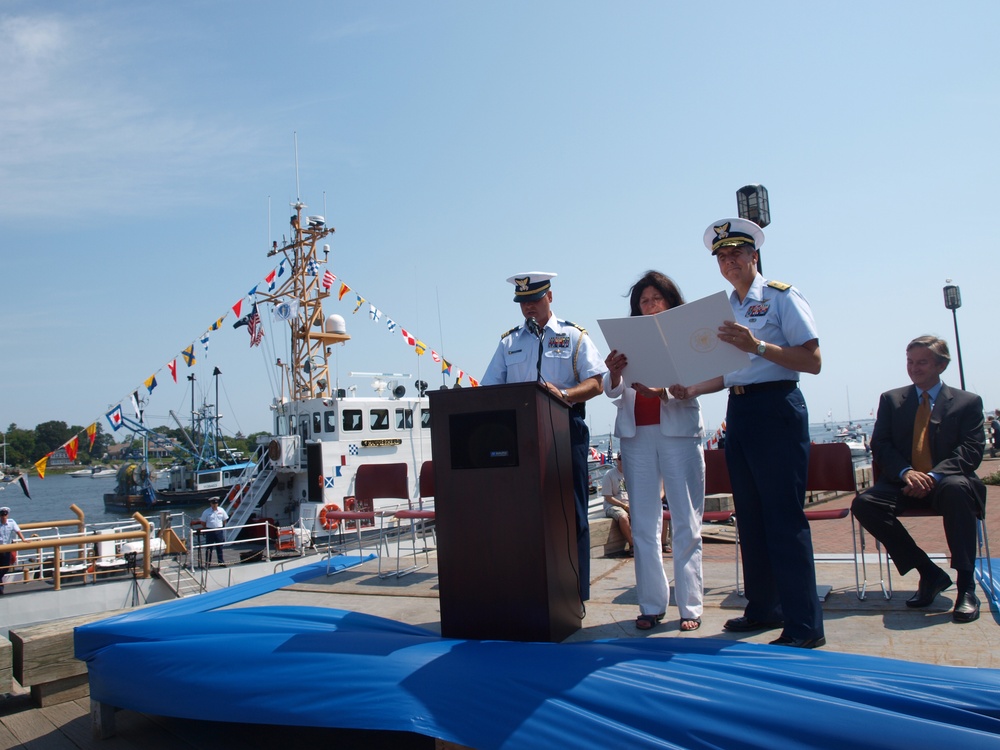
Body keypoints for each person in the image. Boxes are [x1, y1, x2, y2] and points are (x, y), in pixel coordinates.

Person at [670, 218, 824, 648]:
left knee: (783, 519)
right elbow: (726, 372)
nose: (729, 260)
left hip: (777, 407)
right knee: (751, 519)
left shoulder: (781, 297)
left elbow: (812, 360)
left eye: (736, 252)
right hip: (739, 410)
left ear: (754, 255)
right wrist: (691, 387)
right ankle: (764, 608)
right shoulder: (723, 309)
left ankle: (804, 625)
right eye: (721, 255)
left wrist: (756, 344)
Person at [482, 272, 607, 604]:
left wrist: (563, 393)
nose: (528, 309)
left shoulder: (574, 336)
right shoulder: (509, 342)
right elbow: (489, 389)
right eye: (522, 303)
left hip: (566, 430)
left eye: (534, 301)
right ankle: (529, 585)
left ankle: (576, 591)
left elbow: (597, 382)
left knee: (573, 513)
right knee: (525, 514)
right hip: (521, 438)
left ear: (549, 297)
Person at [852, 336, 986, 623]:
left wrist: (933, 476)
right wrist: (906, 473)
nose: (914, 368)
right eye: (910, 361)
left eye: (922, 362)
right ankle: (929, 572)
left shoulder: (967, 403)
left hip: (947, 482)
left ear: (941, 365)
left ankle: (966, 588)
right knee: (864, 504)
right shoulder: (892, 400)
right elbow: (881, 445)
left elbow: (971, 451)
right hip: (905, 482)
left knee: (957, 489)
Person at [605, 271, 706, 632]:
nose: (648, 305)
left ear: (669, 301)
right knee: (645, 524)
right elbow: (612, 392)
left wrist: (669, 389)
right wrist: (613, 373)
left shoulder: (687, 335)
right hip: (637, 438)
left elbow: (705, 376)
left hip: (678, 432)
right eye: (643, 301)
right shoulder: (627, 338)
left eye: (654, 299)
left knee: (686, 523)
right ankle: (651, 604)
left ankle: (690, 606)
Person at [600, 454, 634, 555]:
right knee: (623, 517)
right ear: (617, 461)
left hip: (629, 504)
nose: (622, 461)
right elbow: (608, 497)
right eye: (620, 459)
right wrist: (624, 506)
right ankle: (632, 545)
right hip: (612, 505)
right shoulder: (609, 475)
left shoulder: (631, 474)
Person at [0, 506, 28, 595]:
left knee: (6, 567)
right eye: (2, 514)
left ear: (7, 515)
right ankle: (0, 589)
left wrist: (23, 540)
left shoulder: (11, 522)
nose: (4, 516)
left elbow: (18, 531)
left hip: (7, 549)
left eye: (5, 514)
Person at [199, 497, 229, 566]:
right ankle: (208, 563)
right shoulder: (206, 512)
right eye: (213, 503)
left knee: (220, 547)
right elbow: (203, 522)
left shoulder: (221, 510)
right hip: (210, 531)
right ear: (210, 504)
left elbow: (225, 520)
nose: (215, 505)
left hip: (219, 531)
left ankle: (221, 562)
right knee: (209, 548)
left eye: (216, 503)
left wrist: (221, 527)